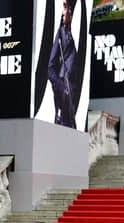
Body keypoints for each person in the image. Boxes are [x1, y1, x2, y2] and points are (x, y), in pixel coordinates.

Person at [48, 0, 79, 129]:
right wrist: (60, 85)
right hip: (64, 88)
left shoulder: (79, 32)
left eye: (66, 7)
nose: (63, 12)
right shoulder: (61, 32)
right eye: (63, 7)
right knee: (63, 125)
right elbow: (50, 66)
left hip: (77, 91)